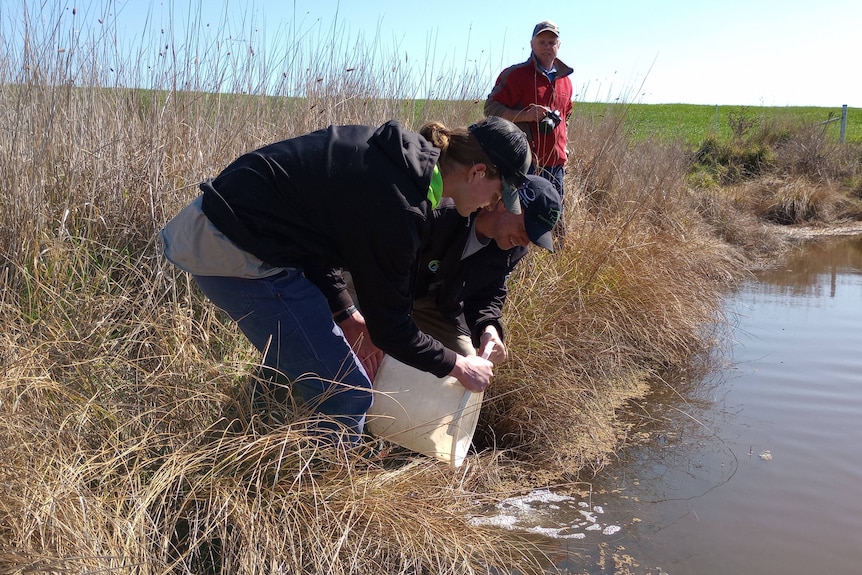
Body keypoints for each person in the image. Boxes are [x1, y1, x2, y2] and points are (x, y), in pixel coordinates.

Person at [160, 116, 531, 444]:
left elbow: (313, 232)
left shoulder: (397, 161)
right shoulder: (399, 203)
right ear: (477, 172)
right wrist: (459, 366)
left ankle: (270, 432)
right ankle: (318, 499)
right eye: (498, 194)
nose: (492, 205)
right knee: (348, 393)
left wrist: (346, 312)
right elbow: (391, 329)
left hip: (241, 237)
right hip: (230, 251)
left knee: (328, 366)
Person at [338, 174, 562, 367]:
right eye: (525, 229)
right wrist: (391, 331)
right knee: (366, 349)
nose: (524, 242)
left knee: (468, 365)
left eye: (533, 238)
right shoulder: (447, 209)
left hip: (436, 305)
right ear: (507, 203)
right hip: (381, 287)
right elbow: (380, 267)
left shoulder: (514, 248)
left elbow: (490, 296)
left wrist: (489, 329)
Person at [484, 20, 573, 200]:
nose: (547, 47)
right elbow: (490, 109)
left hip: (556, 165)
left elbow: (566, 116)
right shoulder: (516, 75)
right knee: (521, 221)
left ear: (559, 45)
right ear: (532, 44)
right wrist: (526, 116)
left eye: (551, 42)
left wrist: (564, 149)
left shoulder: (566, 82)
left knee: (553, 220)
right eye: (541, 42)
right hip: (524, 163)